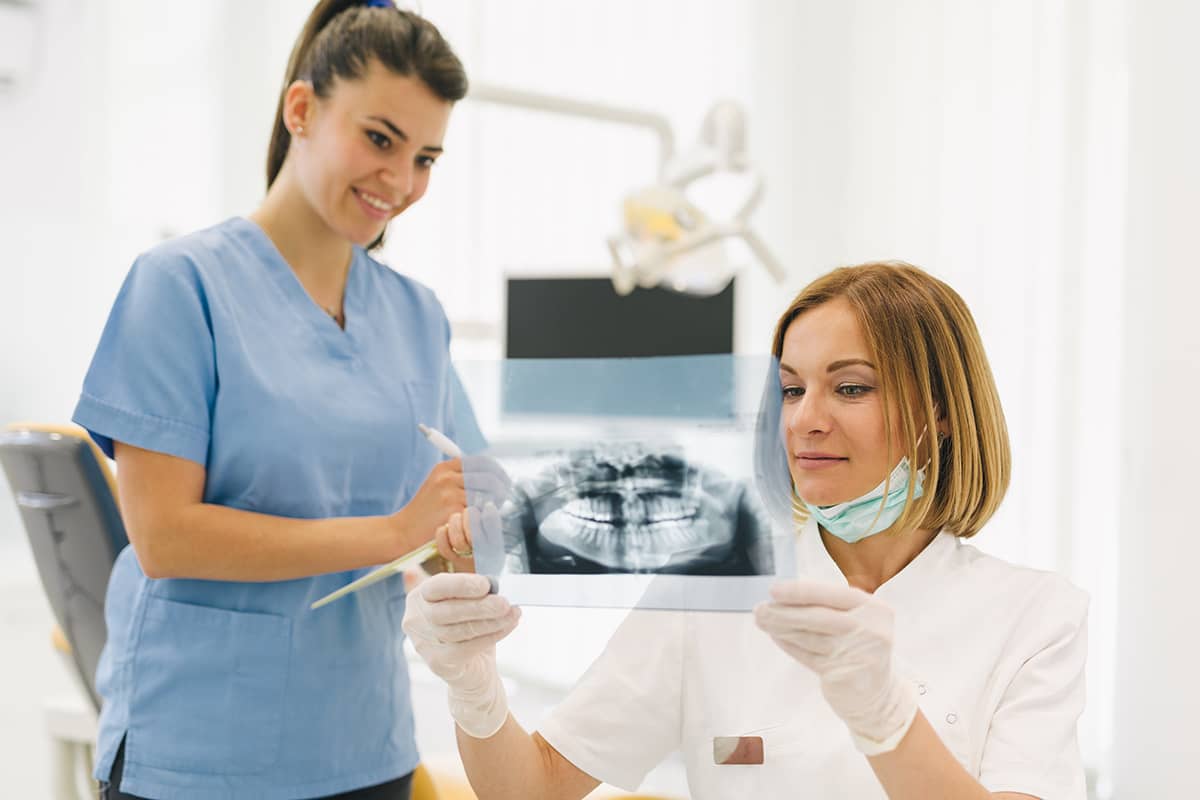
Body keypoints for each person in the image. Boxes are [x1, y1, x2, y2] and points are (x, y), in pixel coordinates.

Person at [402, 261, 1090, 799]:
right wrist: (473, 683)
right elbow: (530, 789)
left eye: (850, 387)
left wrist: (886, 715)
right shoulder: (710, 591)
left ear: (939, 412)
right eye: (791, 389)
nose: (805, 420)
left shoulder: (1033, 617)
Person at [71, 2, 506, 798]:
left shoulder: (417, 315)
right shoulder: (182, 286)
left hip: (364, 744)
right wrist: (392, 531)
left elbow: (458, 504)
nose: (401, 181)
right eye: (380, 139)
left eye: (426, 157)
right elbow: (164, 535)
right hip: (203, 752)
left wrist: (466, 542)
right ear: (300, 109)